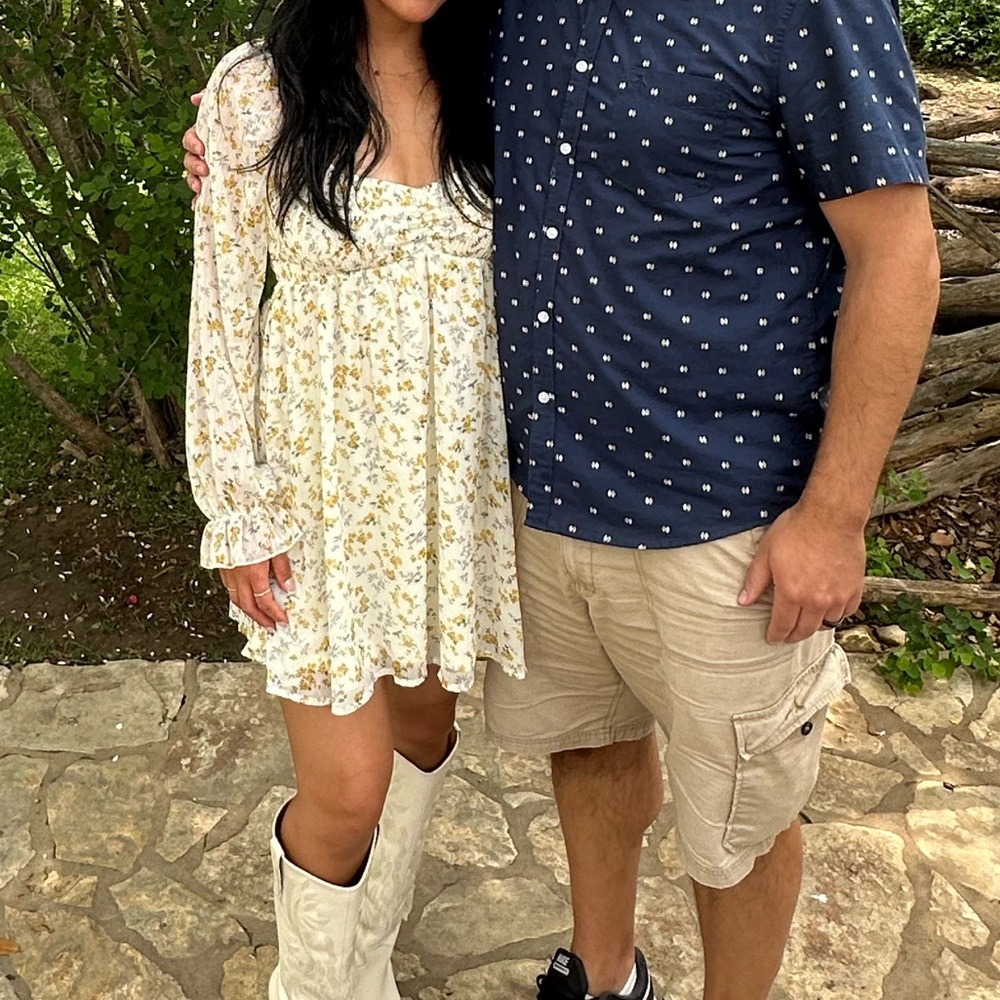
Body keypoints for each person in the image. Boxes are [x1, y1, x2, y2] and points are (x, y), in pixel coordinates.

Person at [186, 1, 940, 999]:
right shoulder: (471, 40)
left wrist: (835, 513)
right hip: (436, 504)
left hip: (615, 508)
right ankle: (461, 976)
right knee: (472, 764)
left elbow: (896, 248)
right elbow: (229, 298)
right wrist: (235, 503)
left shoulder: (512, 65)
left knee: (732, 816)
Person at [184, 1, 523, 998]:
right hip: (315, 505)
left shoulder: (499, 80)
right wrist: (236, 508)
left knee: (422, 735)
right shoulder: (260, 91)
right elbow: (220, 318)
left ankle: (363, 966)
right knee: (346, 789)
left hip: (442, 502)